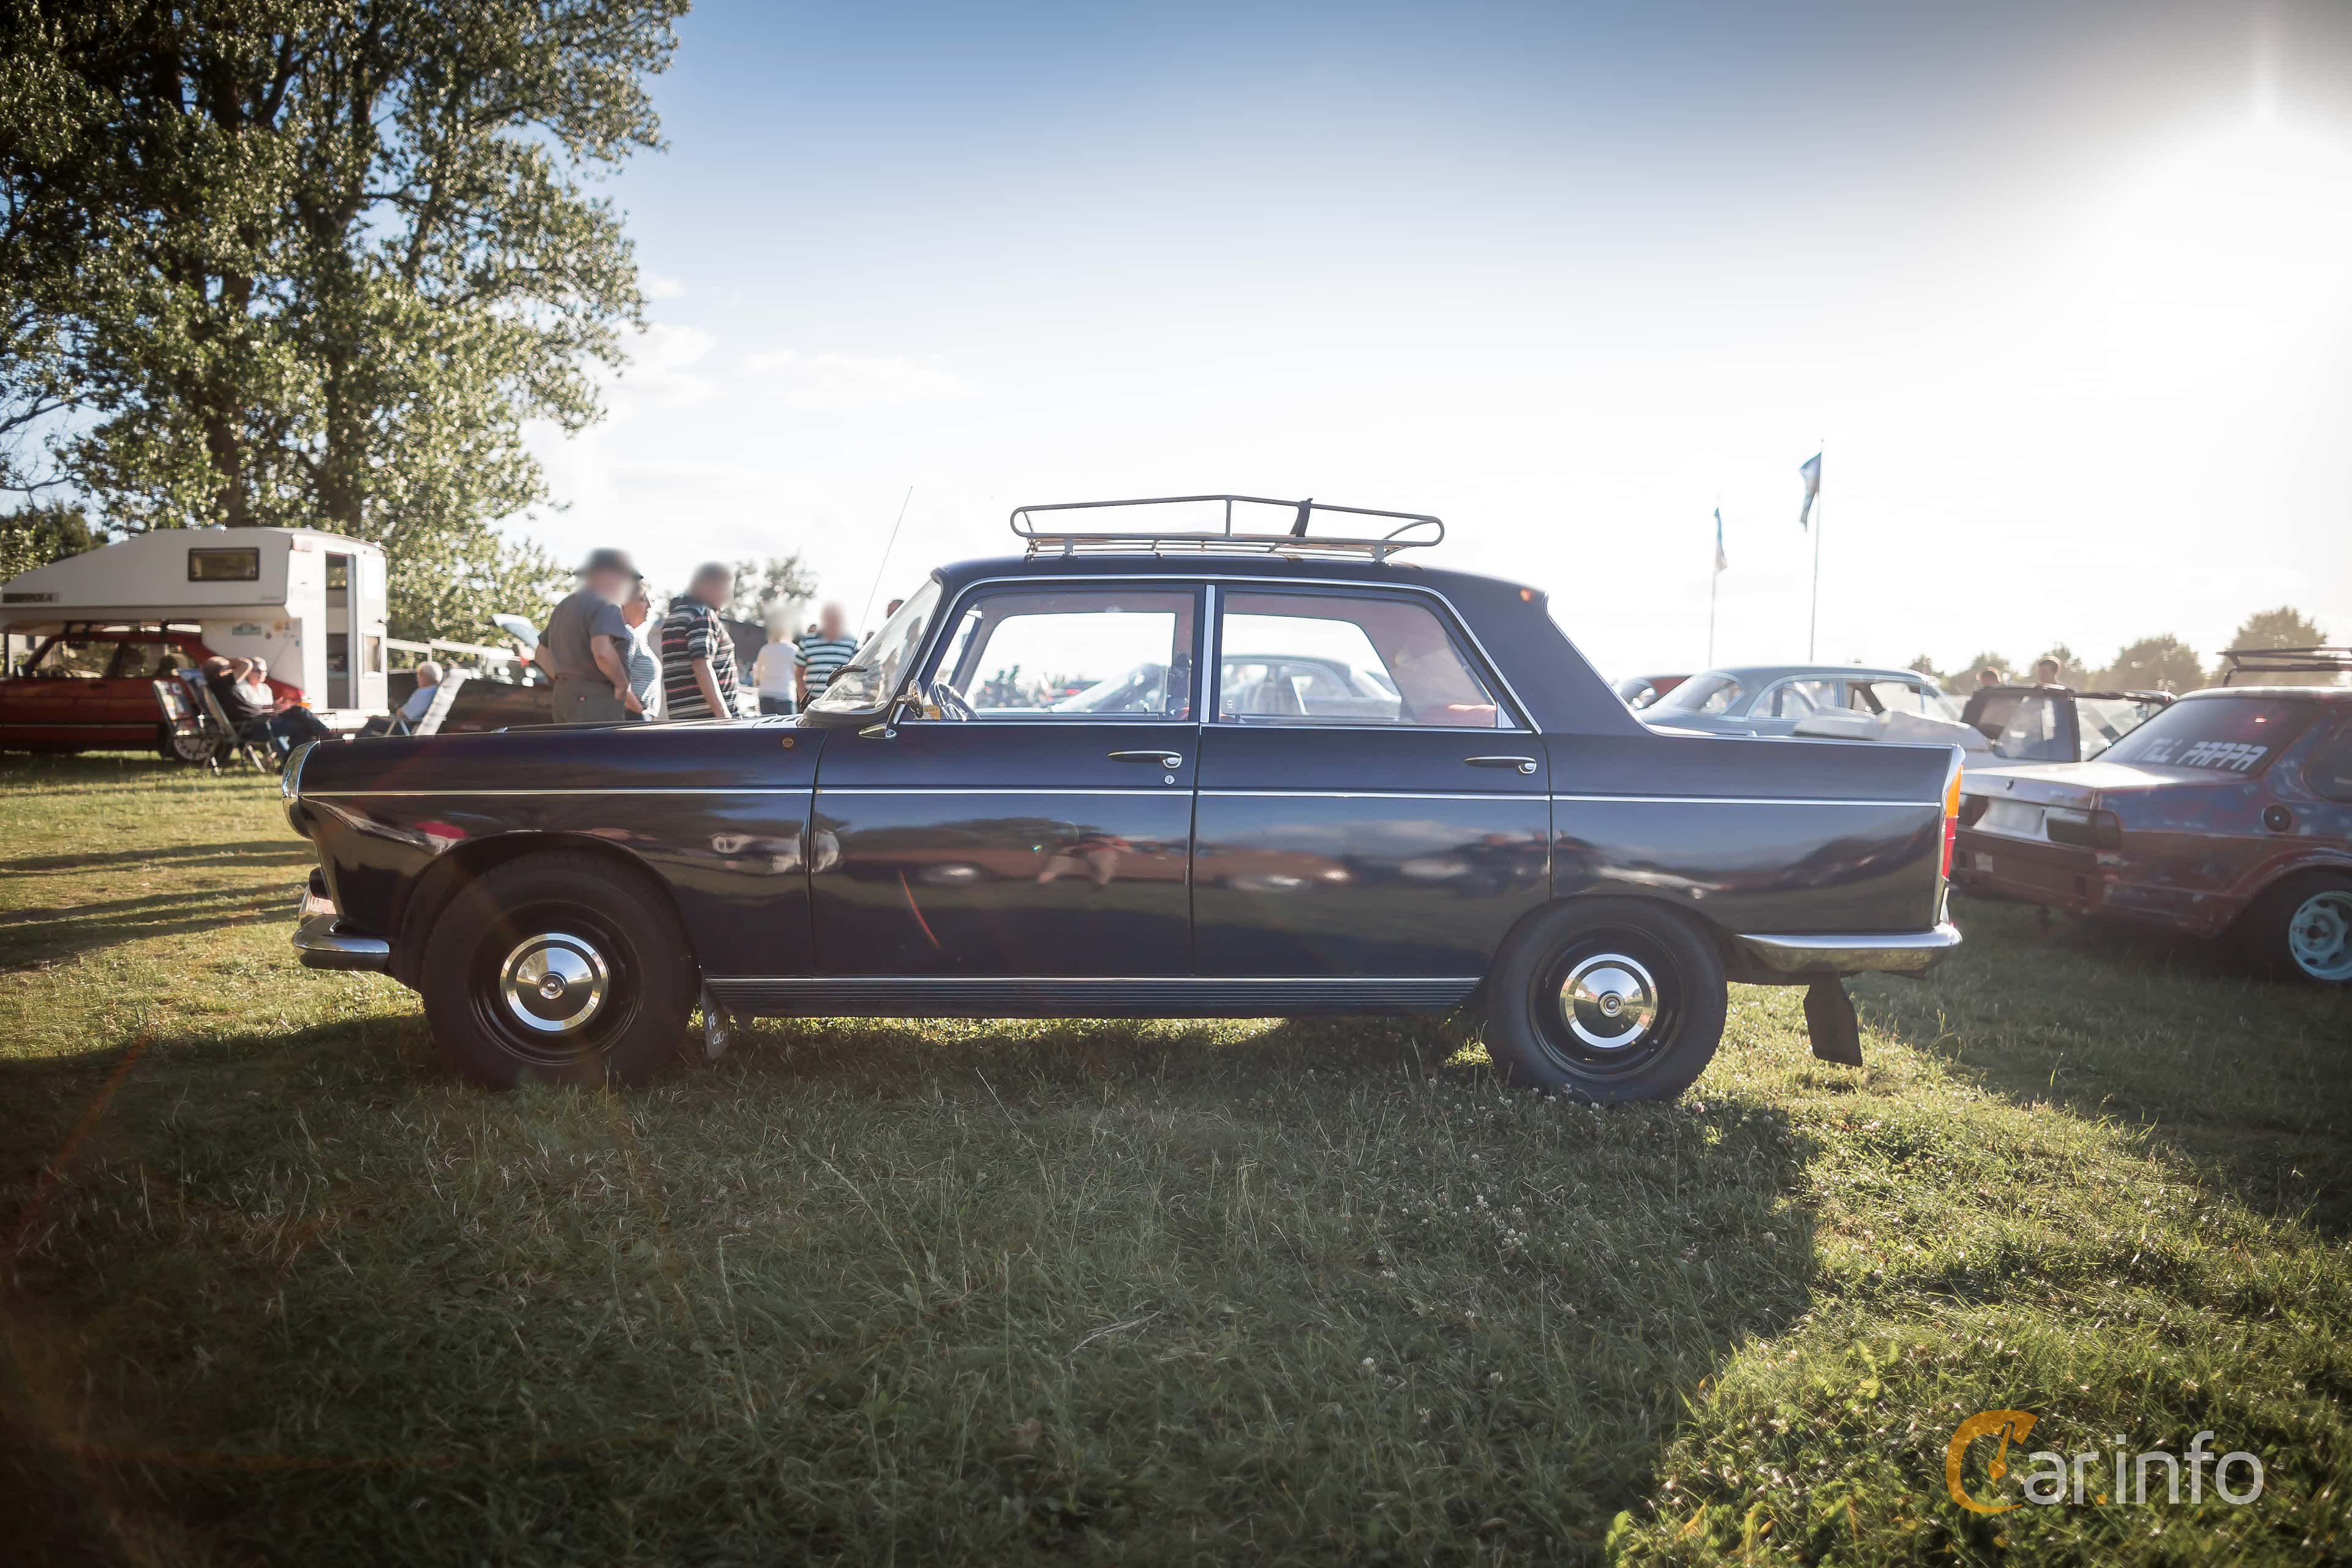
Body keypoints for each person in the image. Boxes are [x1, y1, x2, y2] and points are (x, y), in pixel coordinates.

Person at [536, 548, 643, 724]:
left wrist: (568, 680)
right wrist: (621, 684)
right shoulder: (607, 605)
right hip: (596, 697)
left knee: (571, 751)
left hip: (562, 697)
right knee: (600, 750)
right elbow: (602, 652)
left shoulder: (564, 605)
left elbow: (541, 655)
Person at [660, 562, 744, 721]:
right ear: (711, 586)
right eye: (728, 589)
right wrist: (723, 716)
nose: (729, 597)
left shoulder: (675, 616)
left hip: (683, 718)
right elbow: (701, 665)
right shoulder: (702, 615)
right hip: (710, 721)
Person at [796, 601, 861, 707]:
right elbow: (799, 674)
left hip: (841, 703)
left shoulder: (851, 642)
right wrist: (803, 699)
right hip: (812, 702)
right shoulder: (807, 641)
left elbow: (857, 674)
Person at [619, 581, 662, 720]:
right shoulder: (626, 634)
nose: (650, 606)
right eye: (645, 600)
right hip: (632, 716)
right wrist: (638, 710)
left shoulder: (629, 634)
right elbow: (618, 677)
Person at [752, 611, 802, 716]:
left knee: (767, 729)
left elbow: (758, 671)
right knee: (787, 730)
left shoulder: (765, 649)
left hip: (765, 693)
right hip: (784, 693)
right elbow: (796, 673)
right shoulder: (793, 650)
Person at [396, 660, 444, 728]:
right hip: (428, 729)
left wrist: (398, 712)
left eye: (419, 674)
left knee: (375, 722)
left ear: (425, 676)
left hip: (409, 729)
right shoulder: (441, 692)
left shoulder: (424, 693)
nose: (417, 678)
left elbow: (403, 714)